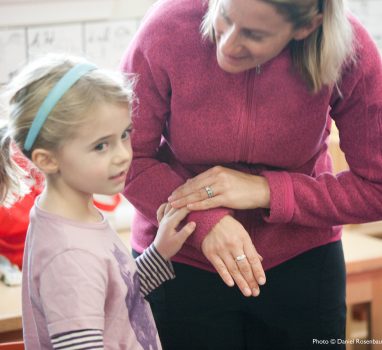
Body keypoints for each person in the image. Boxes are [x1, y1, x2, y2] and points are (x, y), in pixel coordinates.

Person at [121, 0, 382, 349]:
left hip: (302, 265)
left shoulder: (350, 51)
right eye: (224, 18)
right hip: (178, 261)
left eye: (255, 35)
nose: (227, 45)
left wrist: (265, 192)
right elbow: (127, 158)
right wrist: (205, 220)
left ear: (306, 28)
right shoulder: (166, 26)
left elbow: (376, 187)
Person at [0, 54, 196, 350]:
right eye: (101, 145)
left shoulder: (73, 216)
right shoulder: (69, 254)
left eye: (125, 135)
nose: (123, 155)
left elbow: (116, 296)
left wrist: (159, 253)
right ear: (47, 159)